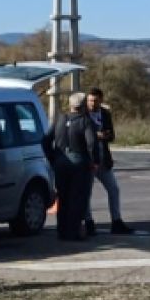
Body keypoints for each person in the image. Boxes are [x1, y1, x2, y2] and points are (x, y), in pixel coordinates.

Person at [84, 88, 131, 235]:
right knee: (86, 192)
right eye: (90, 100)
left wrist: (105, 135)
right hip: (88, 161)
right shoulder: (82, 114)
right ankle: (88, 222)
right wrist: (94, 135)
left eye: (96, 101)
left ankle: (116, 221)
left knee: (114, 189)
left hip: (104, 160)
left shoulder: (105, 114)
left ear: (101, 100)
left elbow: (111, 136)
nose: (92, 104)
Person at [51, 93, 95, 241]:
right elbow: (91, 144)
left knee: (62, 197)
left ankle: (61, 230)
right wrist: (94, 161)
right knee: (77, 198)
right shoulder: (85, 121)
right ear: (83, 106)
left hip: (60, 162)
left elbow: (45, 139)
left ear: (70, 105)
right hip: (79, 163)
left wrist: (53, 158)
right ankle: (73, 231)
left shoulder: (59, 119)